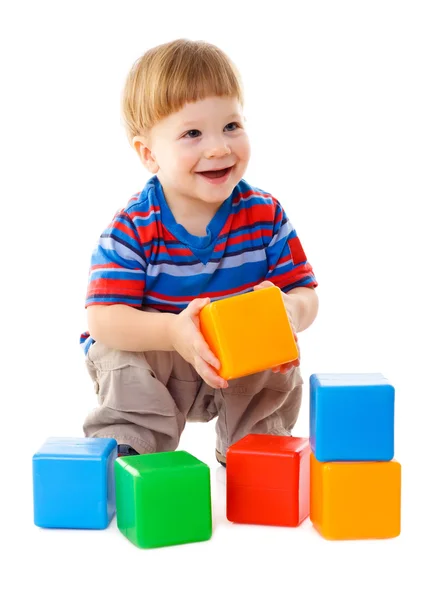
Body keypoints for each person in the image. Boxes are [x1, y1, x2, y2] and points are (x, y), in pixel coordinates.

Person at [80, 38, 319, 466]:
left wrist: (290, 311)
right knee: (120, 354)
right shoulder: (134, 226)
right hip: (161, 364)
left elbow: (305, 292)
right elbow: (103, 318)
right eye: (193, 133)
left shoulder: (264, 213)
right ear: (149, 153)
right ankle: (132, 448)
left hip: (239, 364)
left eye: (231, 126)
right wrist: (172, 332)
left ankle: (254, 448)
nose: (219, 147)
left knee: (275, 350)